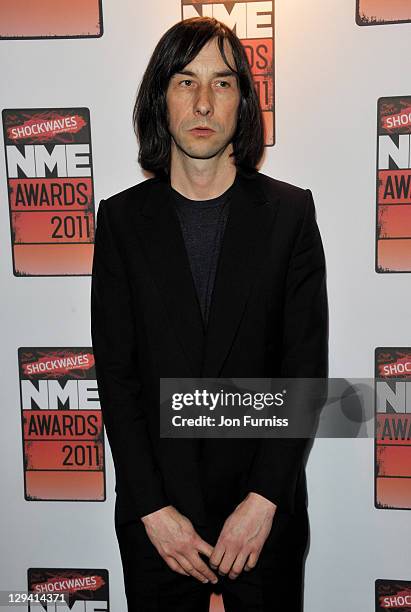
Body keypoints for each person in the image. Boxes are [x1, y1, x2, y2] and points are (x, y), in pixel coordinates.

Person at [91, 16, 328, 612]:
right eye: (184, 81)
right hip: (158, 527)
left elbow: (302, 373)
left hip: (261, 524)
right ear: (159, 99)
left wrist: (263, 501)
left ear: (243, 101)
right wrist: (151, 507)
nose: (202, 101)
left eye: (222, 83)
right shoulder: (120, 222)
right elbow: (118, 381)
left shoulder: (290, 215)